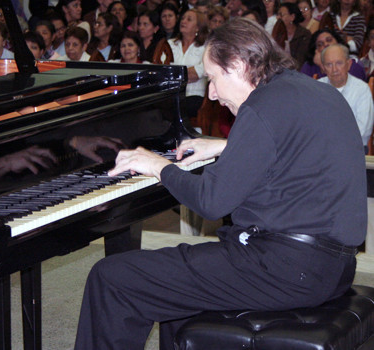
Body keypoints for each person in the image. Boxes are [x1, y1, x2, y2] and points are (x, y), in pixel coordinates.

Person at [74, 17, 366, 350]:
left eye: (213, 78)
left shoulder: (261, 108)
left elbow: (212, 202)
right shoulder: (311, 91)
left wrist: (160, 167)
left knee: (113, 278)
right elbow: (298, 147)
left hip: (283, 268)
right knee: (176, 291)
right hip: (335, 268)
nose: (211, 94)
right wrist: (227, 145)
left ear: (239, 65)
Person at [319, 44, 374, 152]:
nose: (334, 69)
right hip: (322, 149)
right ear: (323, 68)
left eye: (339, 63)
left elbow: (363, 131)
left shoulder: (361, 90)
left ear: (348, 64)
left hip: (353, 149)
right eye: (329, 64)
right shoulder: (317, 88)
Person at [168, 9, 208, 120]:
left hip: (195, 95)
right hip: (171, 95)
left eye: (189, 19)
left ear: (198, 27)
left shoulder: (206, 48)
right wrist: (187, 73)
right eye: (183, 18)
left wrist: (174, 74)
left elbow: (197, 73)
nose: (183, 21)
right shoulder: (170, 44)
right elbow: (164, 72)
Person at [301, 27, 367, 79]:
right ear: (316, 50)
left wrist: (322, 67)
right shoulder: (309, 66)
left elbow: (340, 89)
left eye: (329, 40)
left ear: (338, 42)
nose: (326, 44)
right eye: (320, 44)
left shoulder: (352, 63)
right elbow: (303, 90)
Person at [277, 2, 311, 68]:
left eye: (281, 15)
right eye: (277, 15)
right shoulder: (277, 33)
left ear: (292, 17)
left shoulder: (304, 34)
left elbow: (301, 60)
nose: (278, 18)